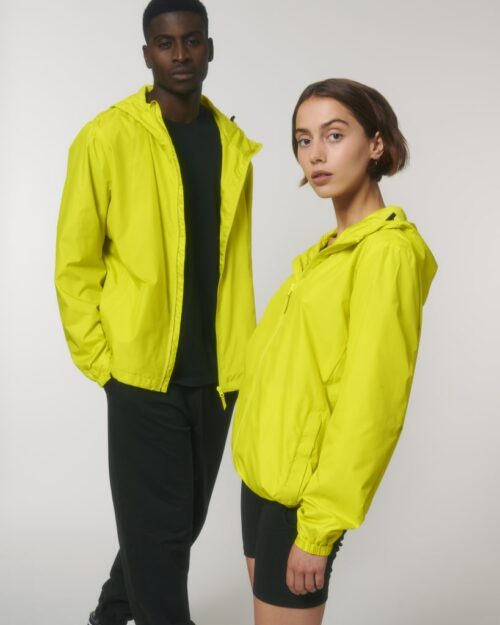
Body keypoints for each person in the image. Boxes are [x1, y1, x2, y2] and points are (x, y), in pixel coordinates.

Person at [55, 1, 260, 624]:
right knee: (163, 535)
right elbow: (74, 263)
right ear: (147, 54)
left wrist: (242, 361)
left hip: (218, 374)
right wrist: (105, 363)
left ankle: (110, 614)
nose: (180, 55)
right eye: (166, 44)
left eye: (192, 41)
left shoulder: (231, 143)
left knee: (176, 524)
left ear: (209, 48)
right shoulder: (106, 137)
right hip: (142, 374)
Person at [232, 78, 437, 625]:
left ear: (376, 144)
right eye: (303, 140)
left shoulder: (386, 253)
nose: (315, 154)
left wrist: (319, 530)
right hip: (262, 482)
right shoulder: (324, 254)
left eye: (334, 134)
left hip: (303, 501)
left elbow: (373, 404)